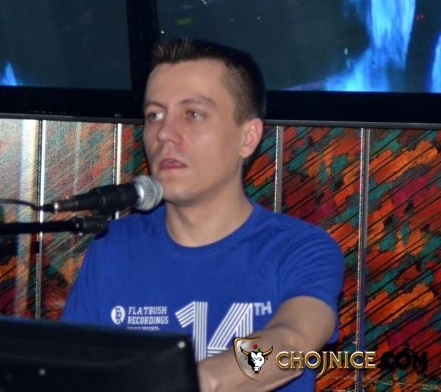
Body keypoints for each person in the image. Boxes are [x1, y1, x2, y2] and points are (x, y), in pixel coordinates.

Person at [61, 38, 345, 391]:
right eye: (154, 115)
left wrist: (195, 379)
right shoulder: (114, 245)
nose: (165, 133)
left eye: (192, 114)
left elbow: (290, 343)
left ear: (248, 137)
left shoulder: (299, 248)